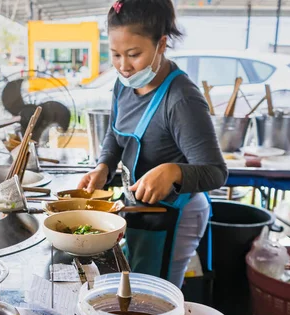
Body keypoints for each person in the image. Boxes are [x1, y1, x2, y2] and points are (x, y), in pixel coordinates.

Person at [77, 0, 228, 288]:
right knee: (136, 287)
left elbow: (216, 172)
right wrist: (104, 166)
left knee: (158, 297)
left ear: (161, 44)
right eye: (116, 54)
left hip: (176, 214)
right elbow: (115, 132)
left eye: (134, 54)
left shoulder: (181, 99)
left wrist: (173, 171)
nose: (123, 66)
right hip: (140, 208)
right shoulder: (124, 85)